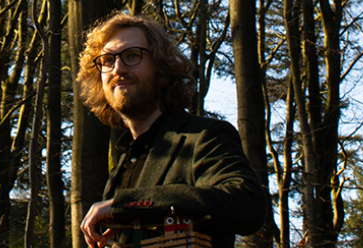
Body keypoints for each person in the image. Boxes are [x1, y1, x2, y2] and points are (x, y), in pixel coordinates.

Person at [76, 13, 267, 248]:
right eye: (107, 60)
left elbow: (246, 203)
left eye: (132, 56)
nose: (118, 68)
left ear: (161, 67)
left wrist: (129, 203)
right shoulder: (122, 167)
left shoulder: (203, 138)